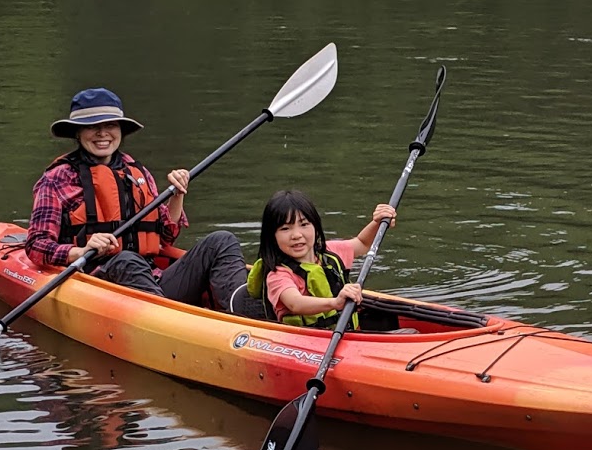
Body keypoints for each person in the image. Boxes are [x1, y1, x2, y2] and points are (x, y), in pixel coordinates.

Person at [25, 87, 264, 317]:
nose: (102, 133)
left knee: (221, 241)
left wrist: (177, 194)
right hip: (95, 281)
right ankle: (173, 324)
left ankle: (241, 312)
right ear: (77, 133)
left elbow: (166, 237)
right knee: (127, 260)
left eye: (109, 125)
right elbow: (36, 246)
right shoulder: (56, 178)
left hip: (151, 281)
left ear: (120, 130)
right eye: (92, 127)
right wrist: (81, 250)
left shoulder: (136, 172)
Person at [245, 189, 396, 327]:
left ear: (316, 227)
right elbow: (294, 304)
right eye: (285, 228)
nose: (297, 235)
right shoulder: (278, 274)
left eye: (304, 224)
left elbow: (362, 243)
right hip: (304, 342)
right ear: (272, 237)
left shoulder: (330, 252)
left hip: (346, 336)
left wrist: (377, 223)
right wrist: (335, 303)